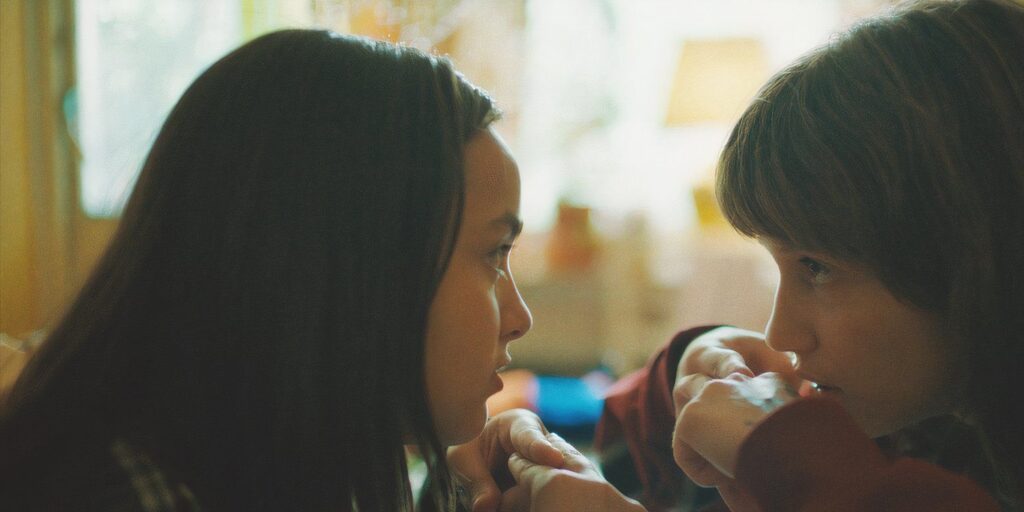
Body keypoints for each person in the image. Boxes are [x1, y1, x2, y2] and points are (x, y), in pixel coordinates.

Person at [448, 0, 1023, 510]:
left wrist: (793, 457)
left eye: (817, 267)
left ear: (967, 249)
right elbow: (645, 468)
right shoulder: (927, 430)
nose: (780, 333)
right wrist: (678, 380)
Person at [0, 29, 557, 511]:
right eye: (493, 254)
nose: (519, 318)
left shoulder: (321, 452)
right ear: (353, 265)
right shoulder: (128, 495)